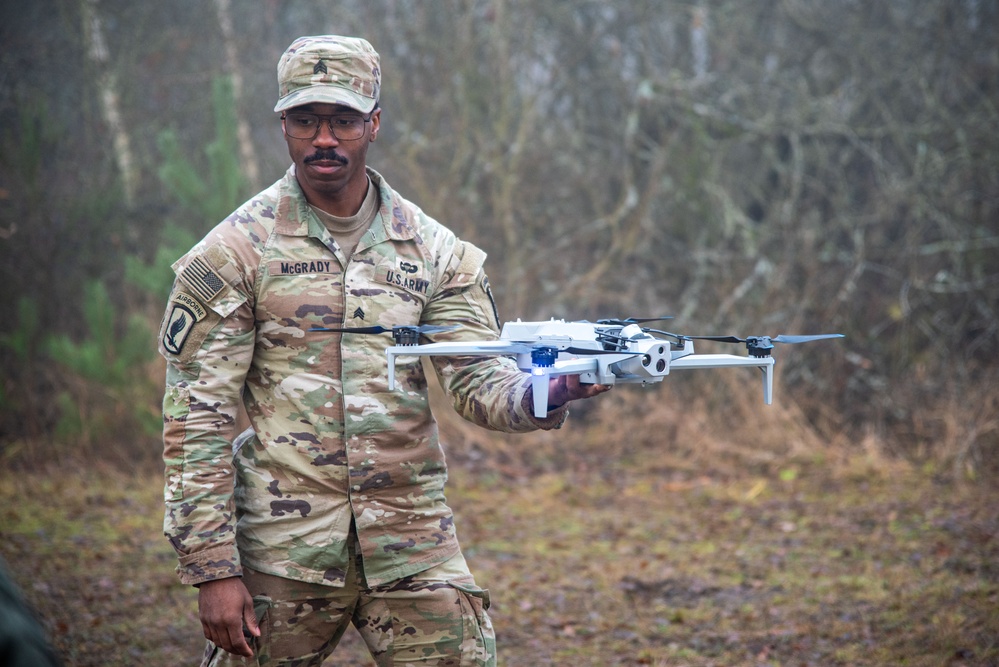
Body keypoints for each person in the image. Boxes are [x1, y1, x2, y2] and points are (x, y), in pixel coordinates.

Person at [159, 35, 609, 667]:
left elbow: (478, 378)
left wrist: (551, 390)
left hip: (412, 542)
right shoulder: (233, 253)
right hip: (285, 548)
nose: (324, 138)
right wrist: (211, 569)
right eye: (305, 120)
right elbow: (196, 420)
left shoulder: (434, 250)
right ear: (282, 124)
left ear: (374, 122)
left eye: (343, 120)